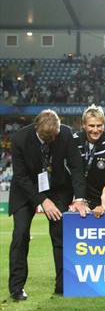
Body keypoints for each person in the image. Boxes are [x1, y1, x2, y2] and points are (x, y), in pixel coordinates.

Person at [9, 110, 89, 300]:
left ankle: (63, 286)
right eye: (48, 137)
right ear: (37, 129)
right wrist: (43, 201)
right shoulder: (20, 139)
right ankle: (16, 288)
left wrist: (79, 198)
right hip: (25, 189)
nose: (53, 139)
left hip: (58, 187)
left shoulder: (66, 133)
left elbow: (77, 167)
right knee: (20, 234)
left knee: (60, 232)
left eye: (56, 135)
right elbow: (20, 177)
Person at [73, 104, 105, 218]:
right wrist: (79, 199)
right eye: (91, 126)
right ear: (84, 126)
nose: (95, 130)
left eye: (99, 125)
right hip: (85, 200)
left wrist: (104, 204)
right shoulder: (75, 141)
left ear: (104, 125)